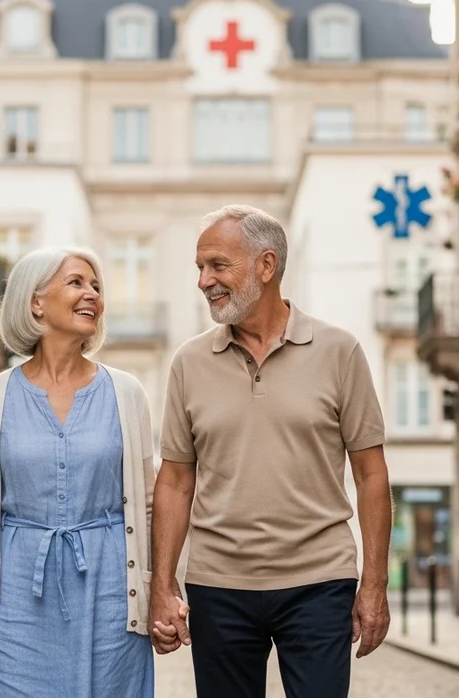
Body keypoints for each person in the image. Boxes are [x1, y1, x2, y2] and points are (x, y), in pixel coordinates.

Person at [149, 205, 393, 697]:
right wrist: (162, 584)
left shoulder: (338, 351)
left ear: (266, 266)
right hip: (219, 585)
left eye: (218, 265)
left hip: (320, 582)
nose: (204, 281)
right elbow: (175, 480)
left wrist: (374, 584)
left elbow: (371, 475)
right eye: (200, 268)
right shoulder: (189, 362)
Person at [0, 246, 160, 698]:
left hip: (110, 597)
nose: (92, 294)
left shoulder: (127, 393)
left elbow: (152, 505)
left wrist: (162, 593)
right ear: (35, 302)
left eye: (96, 286)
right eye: (76, 282)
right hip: (14, 598)